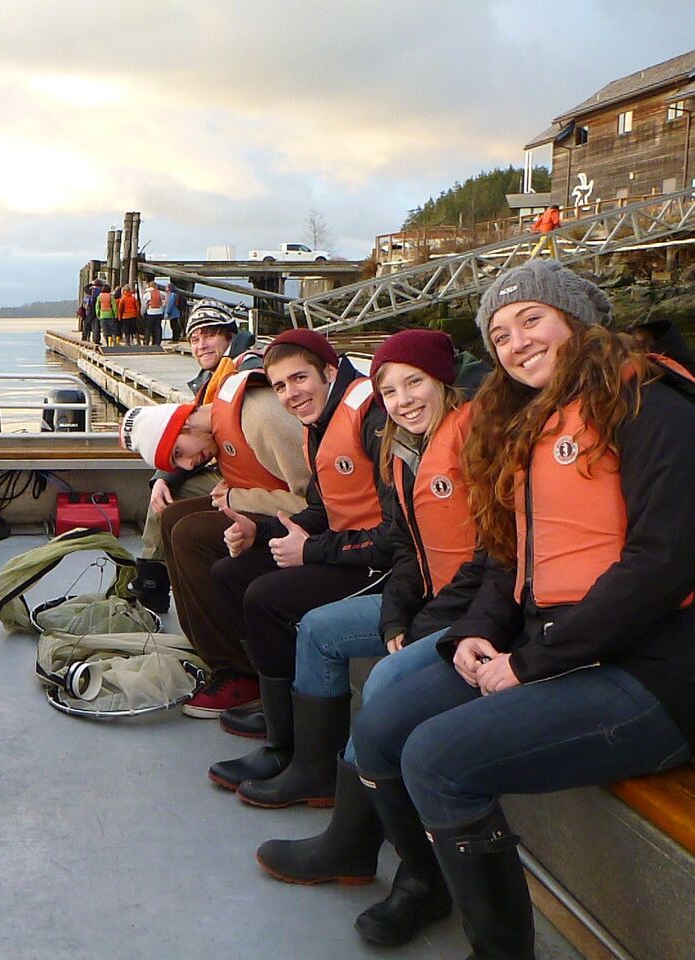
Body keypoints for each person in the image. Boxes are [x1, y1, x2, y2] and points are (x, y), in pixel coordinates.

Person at [351, 259, 695, 958]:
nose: (516, 340)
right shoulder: (532, 420)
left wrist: (528, 664)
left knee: (439, 759)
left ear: (577, 318)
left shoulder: (655, 408)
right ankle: (426, 881)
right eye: (499, 333)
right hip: (553, 646)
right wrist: (475, 635)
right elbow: (508, 558)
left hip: (653, 675)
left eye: (532, 318)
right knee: (381, 727)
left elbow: (662, 568)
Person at [254, 330, 485, 947]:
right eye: (390, 388)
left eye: (415, 383)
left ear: (444, 382)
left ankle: (377, 854)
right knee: (320, 630)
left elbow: (494, 559)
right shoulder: (403, 450)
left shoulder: (477, 444)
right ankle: (317, 780)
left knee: (385, 681)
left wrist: (421, 629)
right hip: (428, 604)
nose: (403, 399)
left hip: (477, 615)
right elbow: (411, 548)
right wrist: (395, 620)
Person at [205, 329, 394, 792]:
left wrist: (309, 551)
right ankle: (279, 728)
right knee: (231, 572)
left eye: (299, 379)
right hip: (348, 549)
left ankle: (303, 759)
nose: (291, 395)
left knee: (269, 596)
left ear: (329, 371)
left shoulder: (371, 419)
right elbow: (320, 508)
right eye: (281, 386)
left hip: (385, 564)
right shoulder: (321, 424)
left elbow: (398, 533)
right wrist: (260, 529)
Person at [121, 359, 309, 717]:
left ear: (186, 422)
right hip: (275, 512)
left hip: (312, 526)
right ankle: (215, 655)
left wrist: (238, 499)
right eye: (178, 463)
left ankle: (241, 673)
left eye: (180, 453)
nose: (190, 466)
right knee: (174, 515)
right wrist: (166, 477)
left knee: (192, 534)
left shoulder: (259, 417)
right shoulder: (216, 426)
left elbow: (318, 500)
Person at [131, 300, 256, 613]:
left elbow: (255, 437)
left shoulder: (248, 369)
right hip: (229, 469)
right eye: (195, 338)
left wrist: (236, 483)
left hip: (252, 478)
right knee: (164, 494)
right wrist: (162, 478)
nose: (202, 344)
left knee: (174, 502)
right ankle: (153, 581)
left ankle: (154, 584)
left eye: (210, 335)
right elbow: (190, 438)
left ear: (229, 336)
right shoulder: (210, 379)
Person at [142, 280, 165, 346]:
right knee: (157, 327)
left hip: (150, 312)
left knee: (148, 328)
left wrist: (143, 312)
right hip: (159, 312)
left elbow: (145, 303)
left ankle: (147, 340)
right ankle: (157, 342)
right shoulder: (160, 293)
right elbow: (163, 303)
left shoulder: (147, 294)